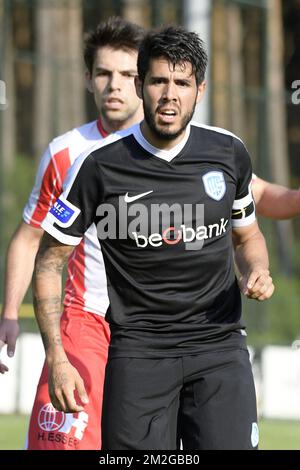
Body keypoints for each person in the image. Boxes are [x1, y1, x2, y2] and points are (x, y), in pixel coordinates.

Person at [34, 25, 274, 450]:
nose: (170, 94)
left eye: (182, 83)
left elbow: (248, 236)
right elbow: (50, 261)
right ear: (141, 85)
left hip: (218, 347)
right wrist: (57, 357)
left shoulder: (228, 153)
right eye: (159, 81)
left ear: (199, 89)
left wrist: (259, 269)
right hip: (139, 353)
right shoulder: (97, 166)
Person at [0, 17, 144, 450]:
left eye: (127, 75)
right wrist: (9, 313)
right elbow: (29, 237)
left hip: (154, 330)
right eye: (103, 74)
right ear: (87, 79)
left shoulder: (173, 150)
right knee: (60, 440)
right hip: (83, 323)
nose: (114, 85)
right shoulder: (65, 153)